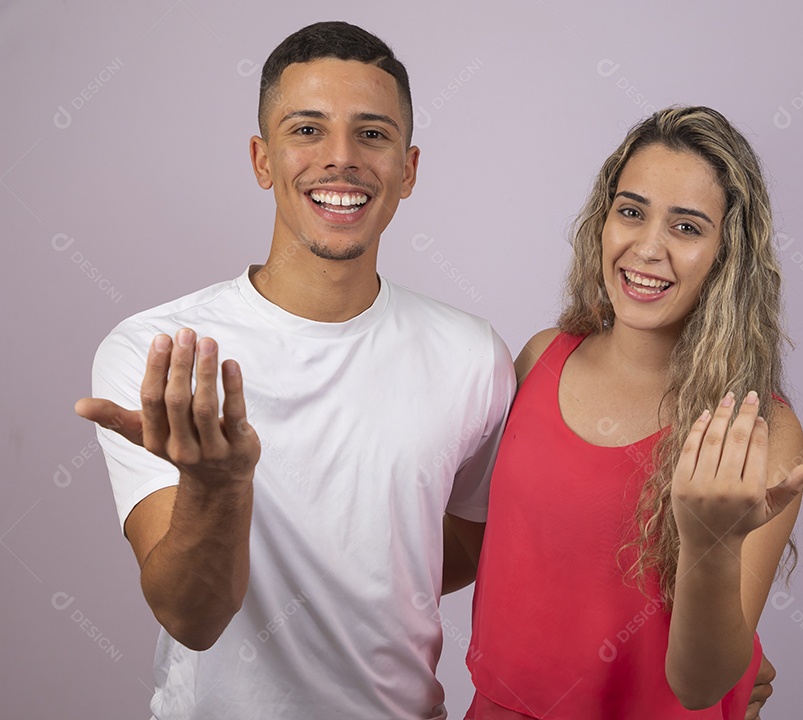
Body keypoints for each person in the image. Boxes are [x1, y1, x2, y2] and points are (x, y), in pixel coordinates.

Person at [74, 21, 516, 719]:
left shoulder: (473, 356)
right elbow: (191, 617)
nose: (341, 159)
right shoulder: (159, 351)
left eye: (372, 134)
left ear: (408, 169)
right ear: (262, 159)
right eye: (307, 130)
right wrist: (218, 487)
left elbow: (462, 544)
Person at [464, 106, 803, 719]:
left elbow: (700, 686)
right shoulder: (541, 358)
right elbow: (478, 544)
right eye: (631, 212)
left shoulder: (758, 429)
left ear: (726, 254)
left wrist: (710, 544)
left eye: (686, 227)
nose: (648, 247)